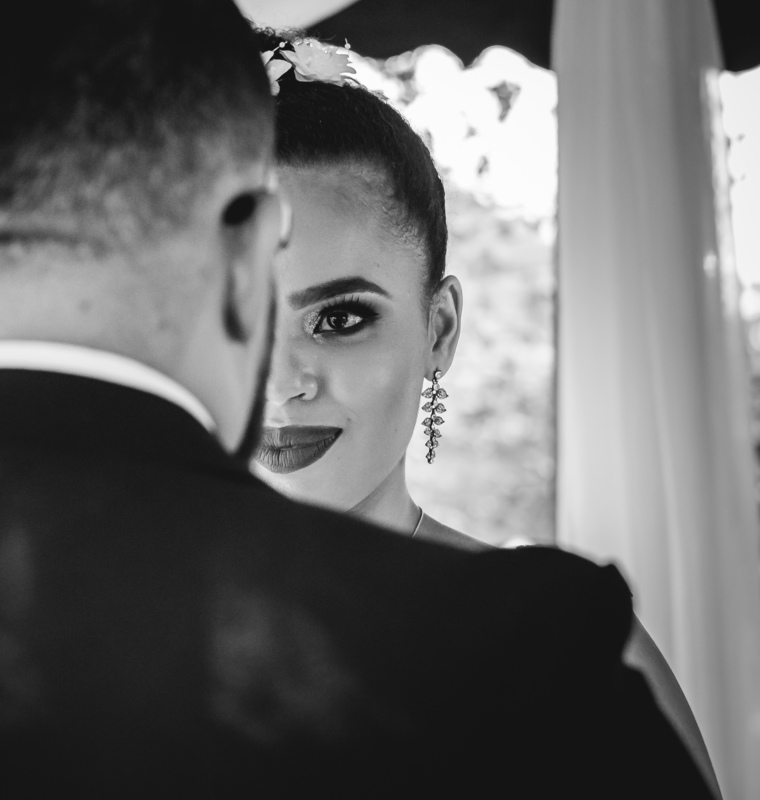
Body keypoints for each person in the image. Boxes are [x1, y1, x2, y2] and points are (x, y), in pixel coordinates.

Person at [0, 1, 712, 795]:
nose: (286, 376)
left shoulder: (514, 653)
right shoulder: (526, 668)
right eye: (277, 312)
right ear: (242, 265)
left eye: (340, 316)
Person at [252, 31, 720, 796]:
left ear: (439, 330)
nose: (282, 383)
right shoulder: (90, 630)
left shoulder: (560, 648)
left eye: (338, 319)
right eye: (242, 317)